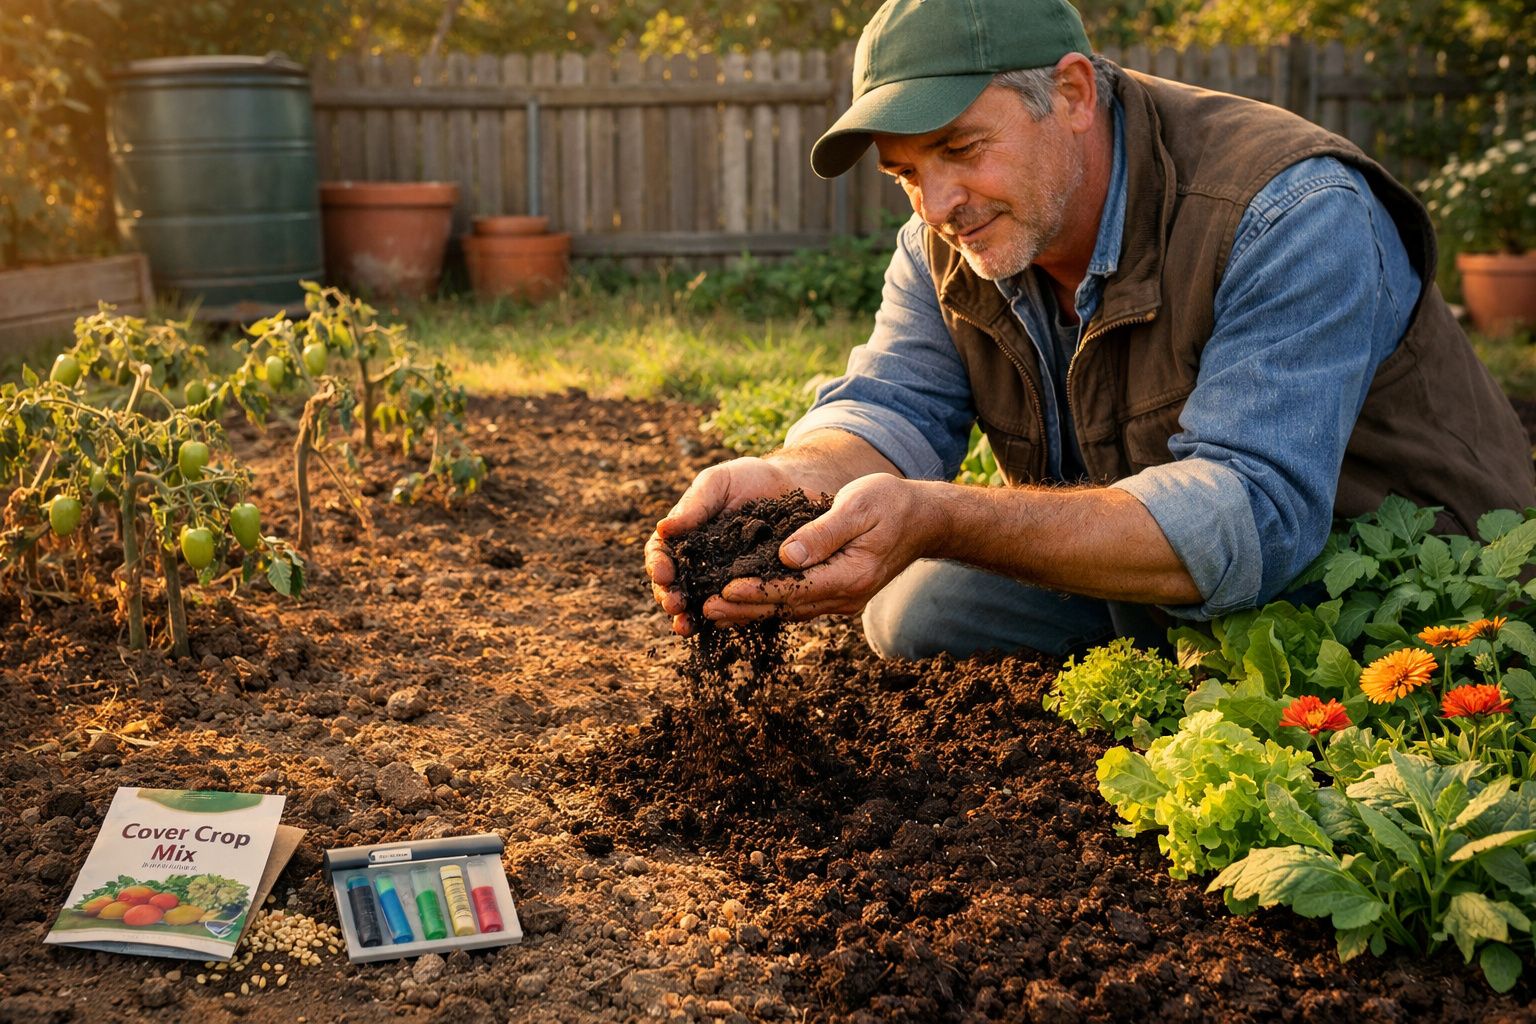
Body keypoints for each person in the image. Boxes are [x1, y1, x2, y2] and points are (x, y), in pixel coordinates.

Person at [645, 0, 1535, 660]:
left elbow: (1252, 515)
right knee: (919, 615)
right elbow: (891, 407)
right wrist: (785, 484)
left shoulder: (1287, 208)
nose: (937, 203)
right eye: (905, 172)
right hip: (1161, 573)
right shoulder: (948, 239)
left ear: (1070, 92)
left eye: (960, 148)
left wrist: (937, 514)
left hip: (1393, 579)